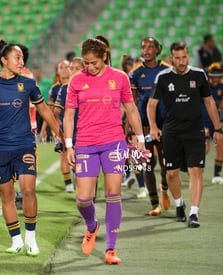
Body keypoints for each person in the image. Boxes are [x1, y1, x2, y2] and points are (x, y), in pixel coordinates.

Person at [0, 40, 64, 256]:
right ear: (4, 60)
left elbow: (45, 111)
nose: (22, 62)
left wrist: (60, 134)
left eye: (22, 58)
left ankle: (31, 237)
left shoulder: (29, 84)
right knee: (7, 196)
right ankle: (16, 240)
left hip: (24, 145)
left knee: (28, 190)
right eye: (17, 58)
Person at [64, 37, 146, 264]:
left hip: (114, 142)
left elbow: (130, 109)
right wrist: (69, 146)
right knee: (82, 199)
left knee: (113, 194)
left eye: (94, 63)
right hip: (86, 144)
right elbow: (69, 115)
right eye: (86, 63)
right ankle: (92, 225)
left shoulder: (119, 78)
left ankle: (111, 249)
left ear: (104, 57)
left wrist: (140, 140)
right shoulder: (76, 81)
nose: (89, 67)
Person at [147, 42, 223, 228]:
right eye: (177, 58)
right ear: (171, 58)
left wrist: (217, 129)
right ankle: (179, 204)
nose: (181, 62)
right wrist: (152, 127)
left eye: (184, 57)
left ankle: (194, 213)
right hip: (171, 131)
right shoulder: (163, 76)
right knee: (171, 173)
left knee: (195, 171)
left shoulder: (199, 75)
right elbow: (151, 104)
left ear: (188, 55)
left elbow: (209, 102)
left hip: (195, 130)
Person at [129, 37, 172, 215]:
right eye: (143, 47)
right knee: (147, 163)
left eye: (150, 47)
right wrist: (130, 128)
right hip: (144, 126)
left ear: (157, 50)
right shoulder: (135, 73)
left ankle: (164, 187)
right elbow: (131, 103)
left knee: (165, 164)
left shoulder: (167, 70)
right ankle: (154, 204)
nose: (146, 50)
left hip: (165, 125)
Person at [41, 60, 74, 192]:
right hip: (60, 127)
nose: (65, 69)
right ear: (57, 71)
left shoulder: (76, 84)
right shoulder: (54, 89)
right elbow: (49, 110)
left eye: (67, 66)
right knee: (63, 154)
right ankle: (68, 184)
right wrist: (44, 128)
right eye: (61, 67)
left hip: (76, 125)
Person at [120, 54, 148, 199]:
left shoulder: (141, 82)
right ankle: (136, 182)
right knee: (128, 155)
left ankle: (143, 185)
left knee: (136, 155)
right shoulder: (127, 80)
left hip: (142, 120)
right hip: (131, 121)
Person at [202, 63, 223, 185]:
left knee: (220, 143)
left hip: (216, 119)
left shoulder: (222, 85)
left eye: (219, 76)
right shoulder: (202, 84)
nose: (217, 79)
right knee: (205, 147)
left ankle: (217, 175)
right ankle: (194, 167)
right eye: (214, 75)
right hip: (202, 118)